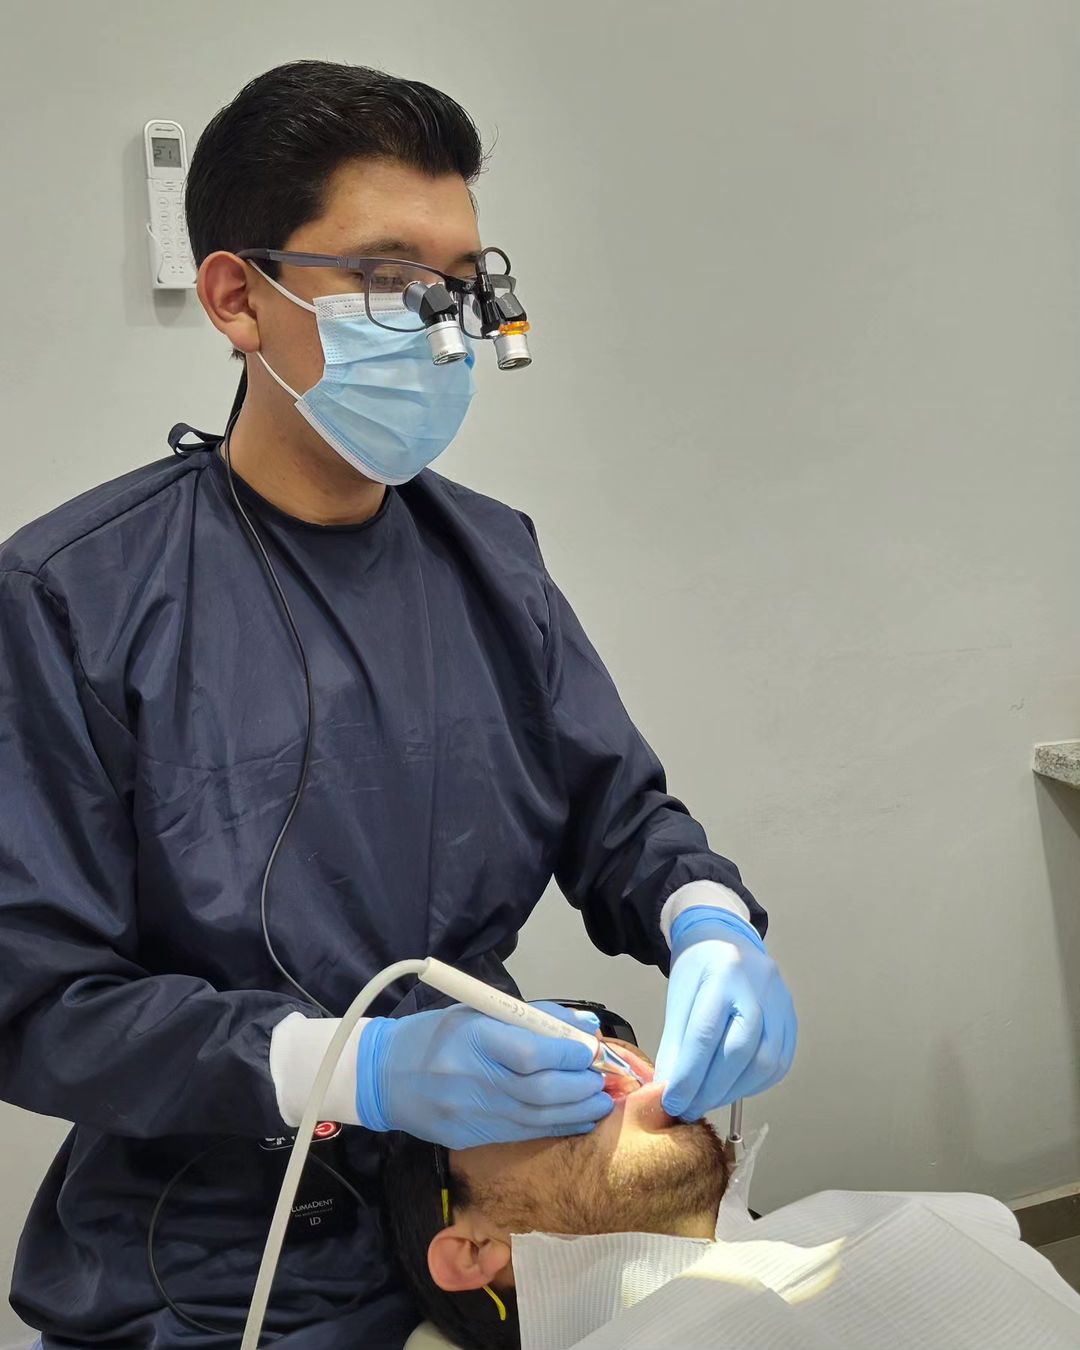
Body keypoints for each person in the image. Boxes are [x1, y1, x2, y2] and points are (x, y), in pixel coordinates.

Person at [0, 61, 795, 1347]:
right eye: (385, 278)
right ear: (234, 299)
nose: (439, 323)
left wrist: (706, 921)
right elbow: (33, 1004)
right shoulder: (74, 597)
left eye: (462, 282)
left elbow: (620, 817)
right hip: (201, 1259)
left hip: (469, 1216)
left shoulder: (494, 561)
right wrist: (347, 1067)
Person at [382, 1043, 1080, 1350]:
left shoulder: (939, 1219)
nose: (627, 1075)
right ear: (472, 1249)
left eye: (608, 1058)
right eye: (530, 1097)